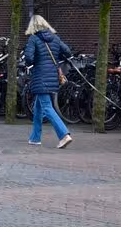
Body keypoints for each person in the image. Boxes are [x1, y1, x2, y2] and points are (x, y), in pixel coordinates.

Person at [25, 15, 73, 149]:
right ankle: (35, 138)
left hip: (40, 76)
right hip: (52, 75)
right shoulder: (55, 38)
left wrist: (33, 60)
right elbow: (68, 52)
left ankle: (64, 135)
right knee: (38, 108)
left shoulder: (33, 39)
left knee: (46, 107)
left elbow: (29, 58)